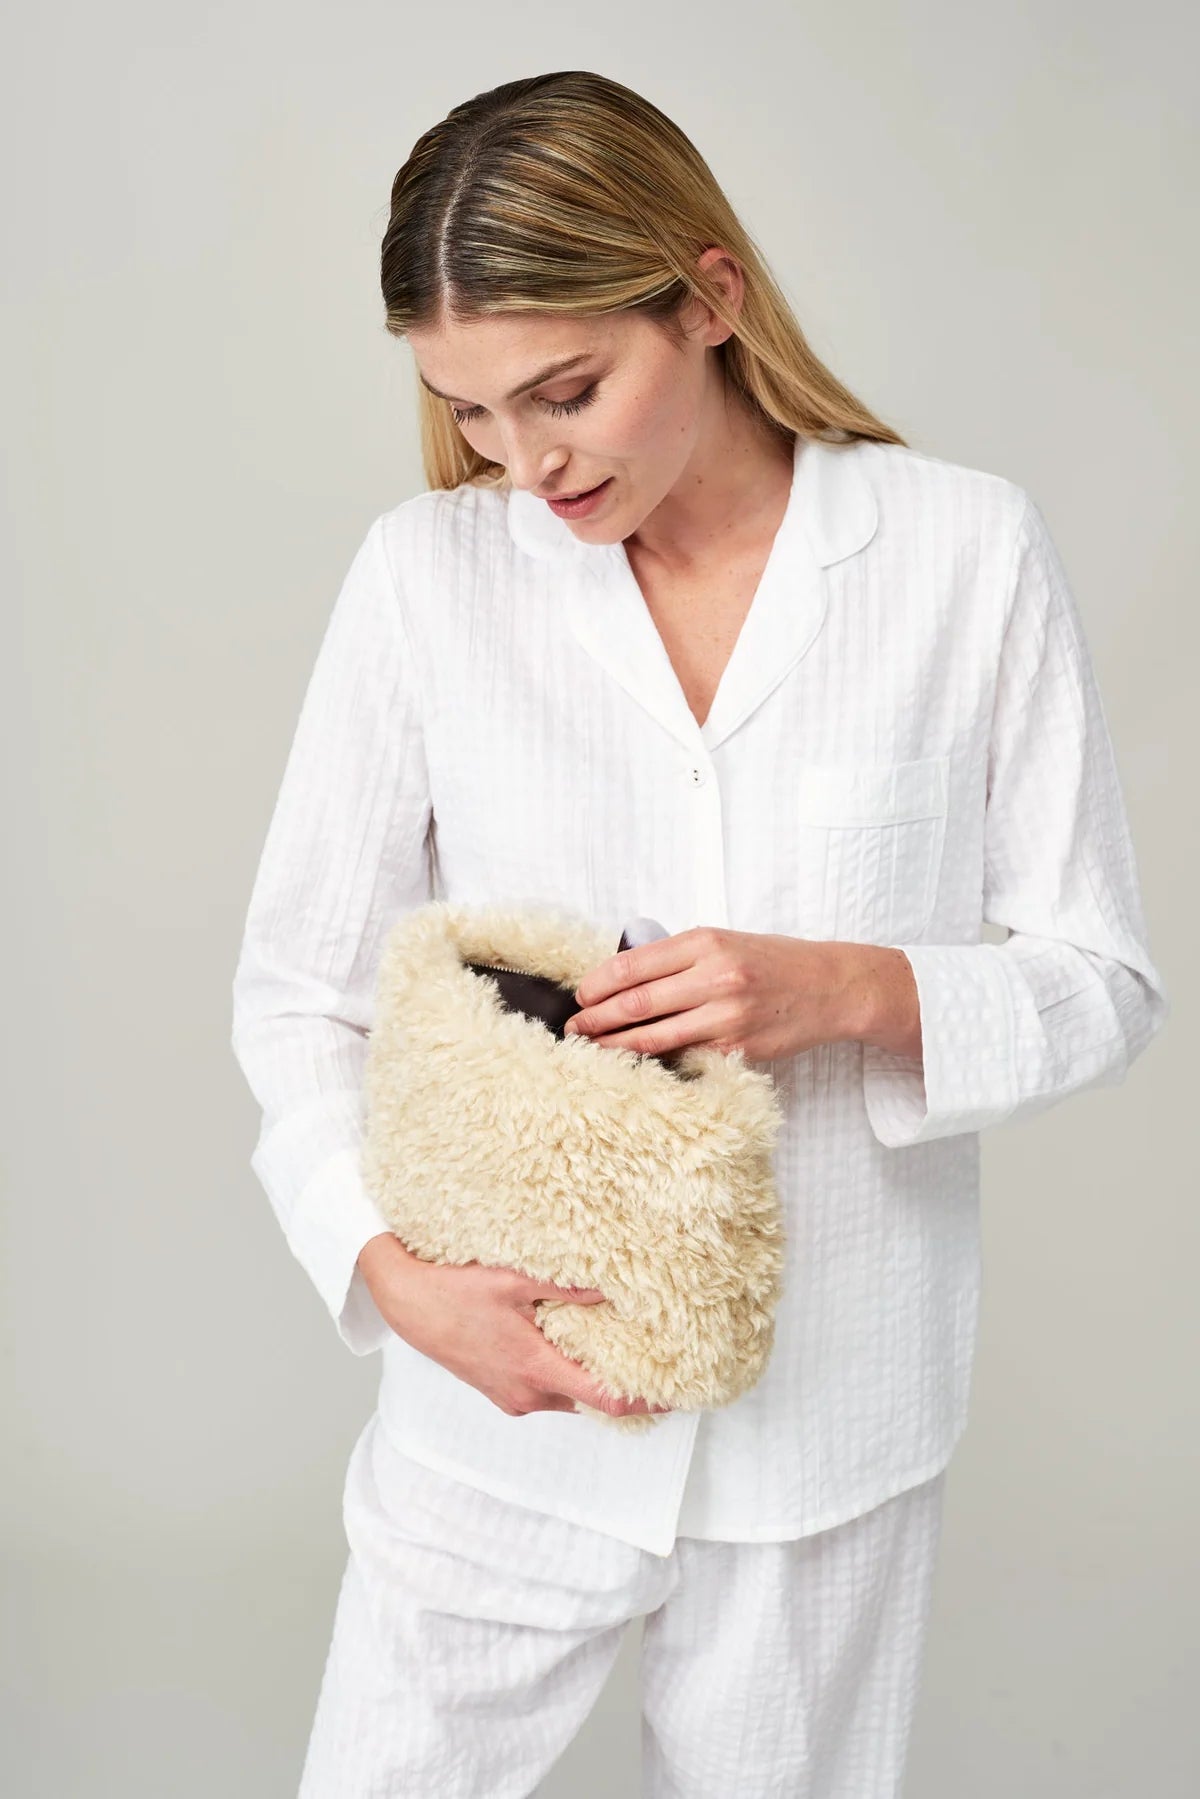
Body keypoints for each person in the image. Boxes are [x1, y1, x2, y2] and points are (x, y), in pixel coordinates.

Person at [229, 69, 1169, 1798]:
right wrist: (393, 1283)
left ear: (710, 297)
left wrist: (852, 990)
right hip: (494, 1415)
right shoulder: (429, 577)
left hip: (831, 1427)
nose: (526, 462)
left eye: (567, 391)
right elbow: (298, 994)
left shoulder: (962, 555)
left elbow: (1103, 984)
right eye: (470, 408)